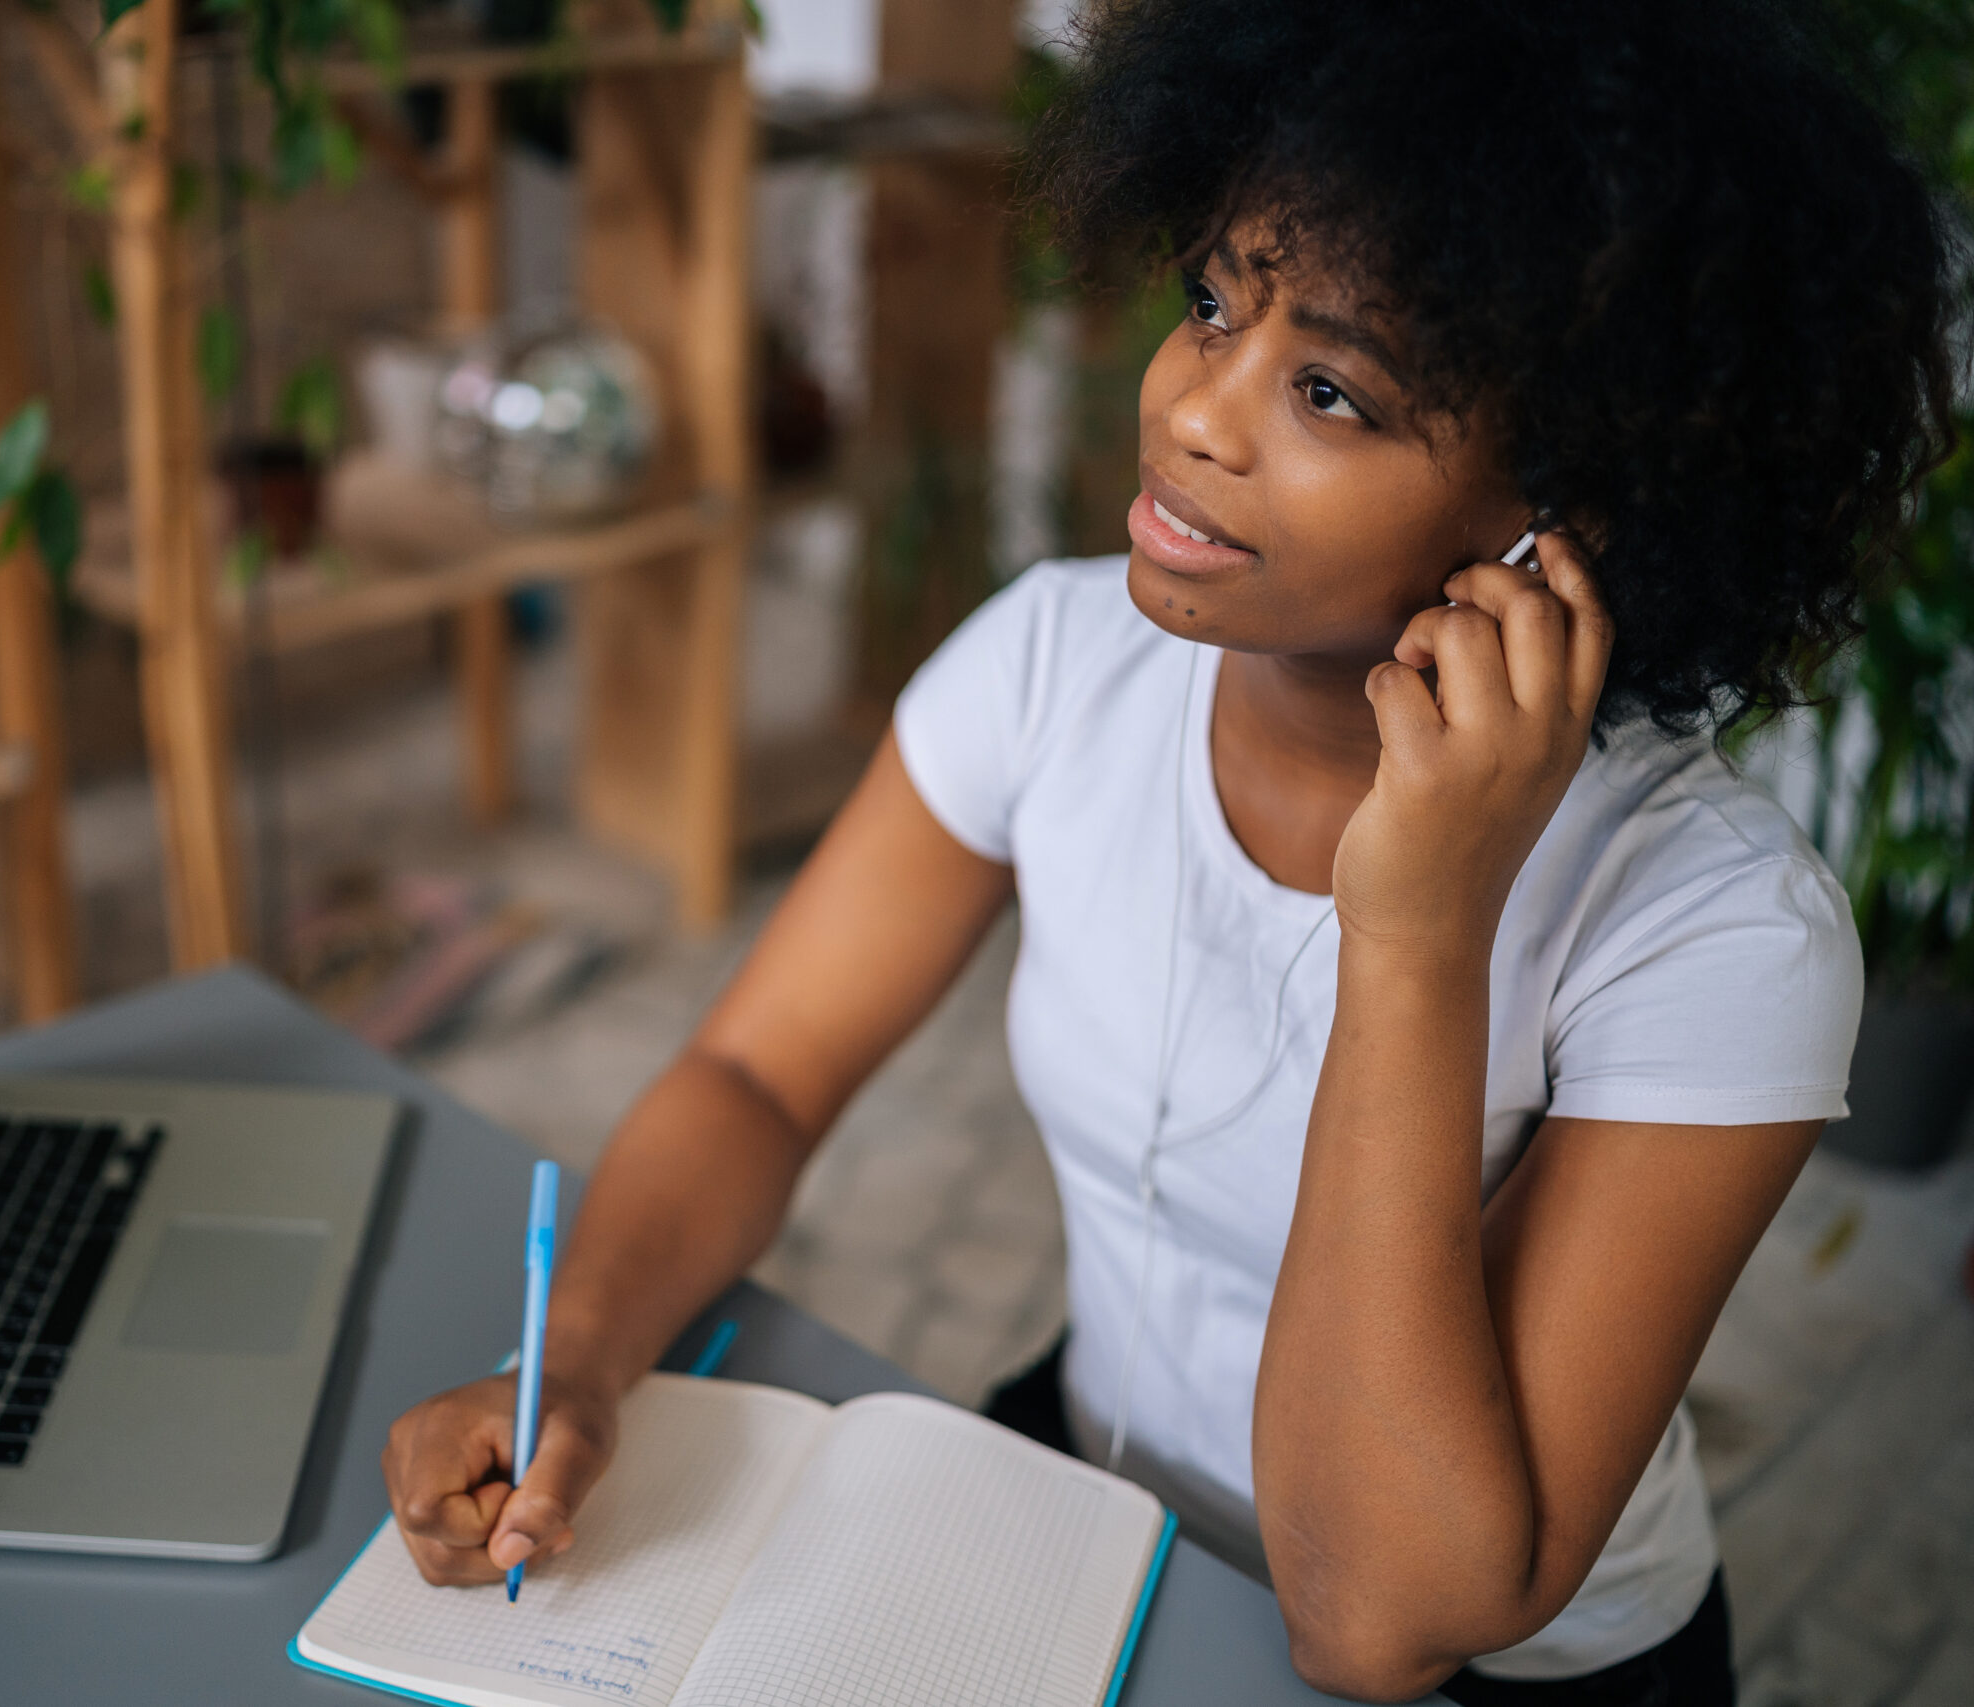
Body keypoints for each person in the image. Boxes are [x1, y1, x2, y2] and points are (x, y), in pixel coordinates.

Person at [379, 1, 1959, 1700]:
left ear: (1569, 512)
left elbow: (1375, 1620)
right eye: (1215, 302)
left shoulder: (1719, 933)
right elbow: (764, 1068)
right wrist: (583, 1364)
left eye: (1333, 389)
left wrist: (1418, 932)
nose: (1199, 409)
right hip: (1087, 1520)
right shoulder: (1057, 663)